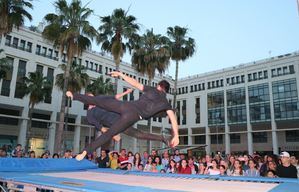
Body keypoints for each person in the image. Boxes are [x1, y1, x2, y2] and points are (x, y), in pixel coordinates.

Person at [67, 71, 179, 160]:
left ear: (159, 86)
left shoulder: (153, 90)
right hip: (132, 117)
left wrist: (121, 74)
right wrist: (177, 135)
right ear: (166, 91)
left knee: (99, 102)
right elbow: (173, 119)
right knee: (110, 133)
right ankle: (85, 151)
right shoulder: (166, 103)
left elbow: (134, 83)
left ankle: (74, 96)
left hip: (127, 106)